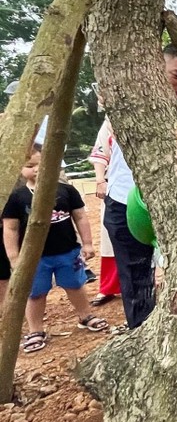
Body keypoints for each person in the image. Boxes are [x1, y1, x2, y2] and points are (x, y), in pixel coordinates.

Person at [104, 43, 177, 329]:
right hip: (125, 199)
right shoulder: (133, 97)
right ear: (158, 66)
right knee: (135, 277)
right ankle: (142, 334)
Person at [2, 151, 108, 353]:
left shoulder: (66, 191)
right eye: (30, 165)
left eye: (40, 163)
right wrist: (14, 257)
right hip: (34, 258)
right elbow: (10, 228)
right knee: (35, 293)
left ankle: (85, 315)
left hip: (67, 252)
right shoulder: (17, 198)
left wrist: (87, 244)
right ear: (21, 169)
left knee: (75, 285)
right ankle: (35, 330)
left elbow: (80, 217)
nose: (36, 168)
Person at [88, 110, 121, 307]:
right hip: (115, 184)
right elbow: (101, 153)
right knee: (111, 235)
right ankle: (109, 286)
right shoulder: (109, 120)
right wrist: (100, 180)